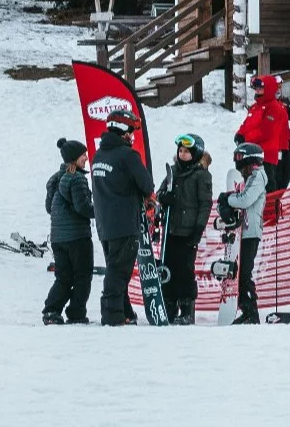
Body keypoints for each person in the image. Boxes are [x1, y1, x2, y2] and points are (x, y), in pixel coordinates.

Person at [88, 113, 153, 326]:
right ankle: (112, 314)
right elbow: (146, 184)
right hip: (125, 222)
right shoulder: (127, 155)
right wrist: (148, 197)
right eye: (131, 131)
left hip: (104, 223)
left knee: (115, 267)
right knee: (119, 271)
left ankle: (125, 311)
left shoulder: (98, 156)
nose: (132, 135)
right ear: (123, 130)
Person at [161, 134, 214, 324]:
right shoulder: (173, 171)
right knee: (168, 270)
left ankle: (186, 309)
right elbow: (161, 192)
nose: (182, 155)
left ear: (196, 153)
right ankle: (169, 306)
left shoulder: (201, 175)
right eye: (180, 151)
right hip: (171, 231)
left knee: (184, 271)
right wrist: (163, 197)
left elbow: (205, 204)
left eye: (187, 152)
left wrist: (198, 229)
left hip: (188, 232)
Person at [42, 138, 94, 324]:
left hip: (58, 238)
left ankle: (51, 311)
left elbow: (49, 207)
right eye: (83, 155)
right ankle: (76, 313)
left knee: (63, 277)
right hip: (77, 237)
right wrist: (103, 211)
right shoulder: (77, 178)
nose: (87, 158)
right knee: (82, 276)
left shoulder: (55, 179)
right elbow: (83, 208)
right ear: (73, 158)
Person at [221, 142, 267, 324]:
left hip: (251, 232)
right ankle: (246, 309)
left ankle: (251, 312)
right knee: (240, 273)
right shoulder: (249, 178)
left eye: (240, 158)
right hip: (244, 232)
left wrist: (228, 198)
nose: (237, 162)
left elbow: (245, 200)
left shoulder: (258, 176)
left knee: (245, 273)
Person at [235, 74, 290, 193]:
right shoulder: (255, 107)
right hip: (251, 153)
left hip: (266, 154)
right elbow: (246, 124)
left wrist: (246, 139)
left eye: (260, 87)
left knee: (268, 184)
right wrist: (239, 134)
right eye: (256, 87)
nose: (257, 90)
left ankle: (271, 209)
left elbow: (265, 131)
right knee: (252, 184)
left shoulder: (274, 107)